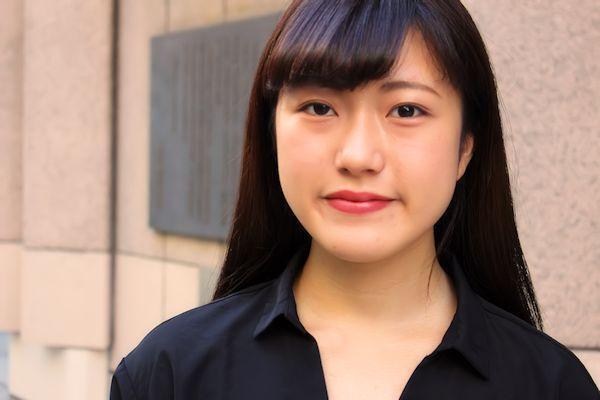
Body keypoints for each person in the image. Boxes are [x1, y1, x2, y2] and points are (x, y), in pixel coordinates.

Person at [110, 1, 600, 399]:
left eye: (406, 110)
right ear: (271, 132)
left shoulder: (551, 386)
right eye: (319, 107)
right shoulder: (168, 374)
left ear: (465, 148)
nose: (358, 156)